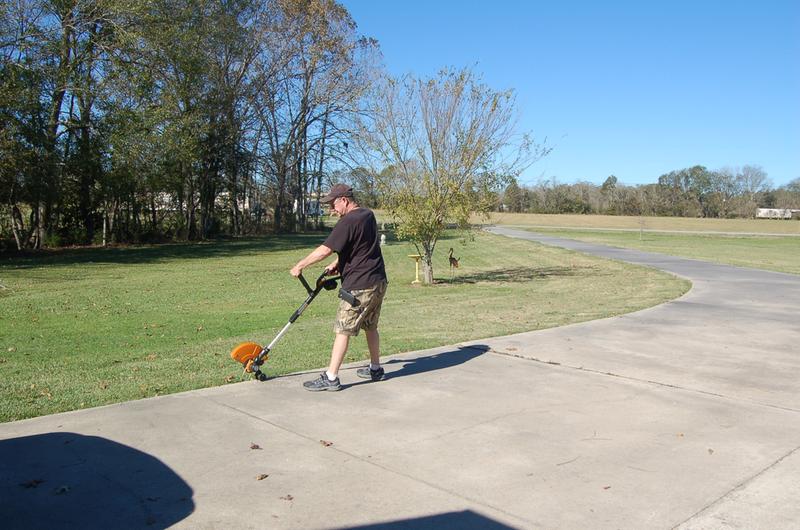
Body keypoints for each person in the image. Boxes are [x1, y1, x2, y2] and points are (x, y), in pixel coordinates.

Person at [290, 184, 389, 391]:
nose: (332, 209)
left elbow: (324, 250)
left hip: (359, 286)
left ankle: (331, 377)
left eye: (333, 204)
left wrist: (300, 265)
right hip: (378, 281)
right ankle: (376, 368)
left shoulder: (348, 221)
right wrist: (340, 263)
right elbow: (362, 246)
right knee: (370, 326)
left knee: (343, 330)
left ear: (344, 200)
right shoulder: (367, 215)